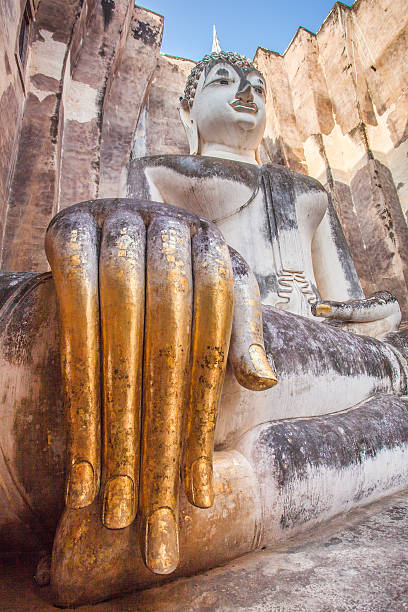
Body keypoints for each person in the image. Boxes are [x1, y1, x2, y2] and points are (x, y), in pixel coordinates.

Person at [2, 51, 408, 607]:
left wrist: (377, 315)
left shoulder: (308, 194)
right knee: (229, 351)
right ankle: (191, 503)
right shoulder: (164, 169)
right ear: (189, 106)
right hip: (208, 326)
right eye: (224, 81)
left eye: (258, 86)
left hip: (315, 343)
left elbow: (345, 304)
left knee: (392, 382)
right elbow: (137, 258)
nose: (247, 93)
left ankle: (219, 512)